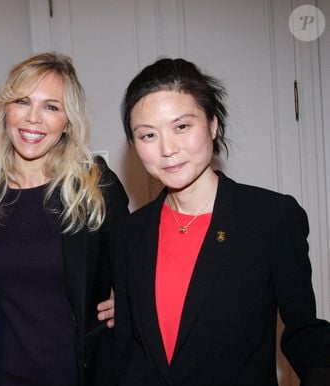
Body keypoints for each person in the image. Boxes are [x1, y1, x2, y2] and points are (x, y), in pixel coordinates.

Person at [113, 57, 330, 385]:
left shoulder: (271, 218)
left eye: (182, 126)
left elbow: (304, 332)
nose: (168, 149)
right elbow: (129, 349)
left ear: (213, 124)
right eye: (147, 135)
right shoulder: (129, 233)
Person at [0, 52, 129, 386]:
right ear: (6, 111)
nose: (33, 119)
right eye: (22, 101)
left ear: (68, 122)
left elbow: (134, 265)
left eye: (51, 107)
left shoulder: (96, 187)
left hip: (80, 375)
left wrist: (129, 300)